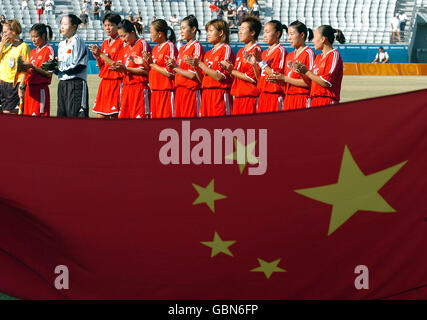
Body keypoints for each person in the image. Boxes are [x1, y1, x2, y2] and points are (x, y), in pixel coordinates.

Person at [186, 19, 235, 117]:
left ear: (221, 32)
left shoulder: (225, 48)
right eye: (207, 31)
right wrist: (196, 67)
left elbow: (219, 77)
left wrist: (200, 64)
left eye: (211, 31)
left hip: (219, 95)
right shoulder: (208, 53)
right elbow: (202, 80)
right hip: (206, 95)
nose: (208, 34)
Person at [291, 25, 345, 107]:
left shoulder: (334, 55)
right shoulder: (318, 57)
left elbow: (326, 82)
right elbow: (312, 81)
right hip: (314, 101)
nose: (313, 40)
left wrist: (306, 71)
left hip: (327, 101)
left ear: (323, 39)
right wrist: (301, 72)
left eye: (315, 37)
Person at [108, 19, 151, 119]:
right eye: (120, 36)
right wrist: (119, 69)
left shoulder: (142, 44)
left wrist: (126, 69)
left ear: (132, 32)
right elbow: (125, 68)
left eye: (124, 36)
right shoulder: (126, 47)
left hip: (139, 89)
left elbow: (146, 71)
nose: (122, 39)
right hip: (126, 88)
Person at [268, 20, 315, 110]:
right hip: (288, 98)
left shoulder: (308, 53)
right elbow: (286, 79)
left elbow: (309, 83)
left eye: (292, 34)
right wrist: (278, 79)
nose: (289, 38)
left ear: (302, 35)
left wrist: (285, 78)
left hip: (302, 98)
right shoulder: (289, 56)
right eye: (288, 34)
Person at [165, 14, 205, 118]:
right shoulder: (182, 48)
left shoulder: (196, 46)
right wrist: (172, 65)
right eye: (180, 29)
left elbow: (193, 75)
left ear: (193, 29)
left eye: (184, 28)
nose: (181, 31)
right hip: (179, 91)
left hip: (190, 92)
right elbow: (178, 70)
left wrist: (175, 68)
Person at [221, 15, 261, 114]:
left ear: (252, 32)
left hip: (249, 98)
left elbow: (252, 78)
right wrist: (230, 70)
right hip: (238, 96)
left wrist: (232, 71)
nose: (240, 32)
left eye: (243, 29)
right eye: (239, 29)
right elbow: (236, 76)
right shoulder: (240, 51)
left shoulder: (256, 50)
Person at [246, 20, 287, 113]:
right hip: (263, 96)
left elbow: (276, 76)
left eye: (268, 32)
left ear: (277, 34)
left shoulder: (280, 50)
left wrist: (260, 62)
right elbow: (259, 78)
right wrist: (254, 65)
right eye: (264, 32)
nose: (264, 35)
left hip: (274, 97)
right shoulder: (264, 53)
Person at [89, 13, 124, 118]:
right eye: (105, 25)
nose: (107, 28)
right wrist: (97, 57)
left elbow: (117, 65)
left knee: (114, 116)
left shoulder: (122, 42)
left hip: (116, 83)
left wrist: (101, 54)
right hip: (104, 83)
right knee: (100, 116)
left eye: (110, 25)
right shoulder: (105, 43)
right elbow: (101, 68)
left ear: (118, 26)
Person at [142, 19, 177, 118]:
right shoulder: (156, 48)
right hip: (155, 92)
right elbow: (153, 70)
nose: (150, 35)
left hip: (166, 93)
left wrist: (152, 64)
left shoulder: (169, 46)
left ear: (160, 34)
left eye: (151, 32)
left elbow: (171, 73)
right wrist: (144, 63)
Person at [56, 14, 89, 117]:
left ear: (74, 26)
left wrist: (61, 68)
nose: (62, 27)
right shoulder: (61, 44)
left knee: (75, 116)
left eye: (65, 24)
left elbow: (80, 65)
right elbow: (60, 65)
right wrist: (54, 67)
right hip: (62, 83)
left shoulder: (77, 41)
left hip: (76, 84)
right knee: (62, 116)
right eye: (61, 24)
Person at [19, 23, 55, 116]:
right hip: (29, 91)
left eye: (35, 36)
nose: (33, 39)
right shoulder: (33, 51)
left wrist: (32, 66)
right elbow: (29, 71)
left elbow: (49, 74)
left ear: (43, 36)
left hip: (40, 90)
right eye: (31, 37)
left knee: (39, 121)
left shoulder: (49, 50)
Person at [0, 19, 30, 114]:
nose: (3, 34)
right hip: (2, 84)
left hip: (14, 85)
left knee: (10, 115)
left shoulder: (23, 47)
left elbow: (26, 70)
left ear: (14, 31)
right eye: (2, 32)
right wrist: (1, 45)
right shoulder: (5, 45)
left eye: (5, 32)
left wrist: (21, 87)